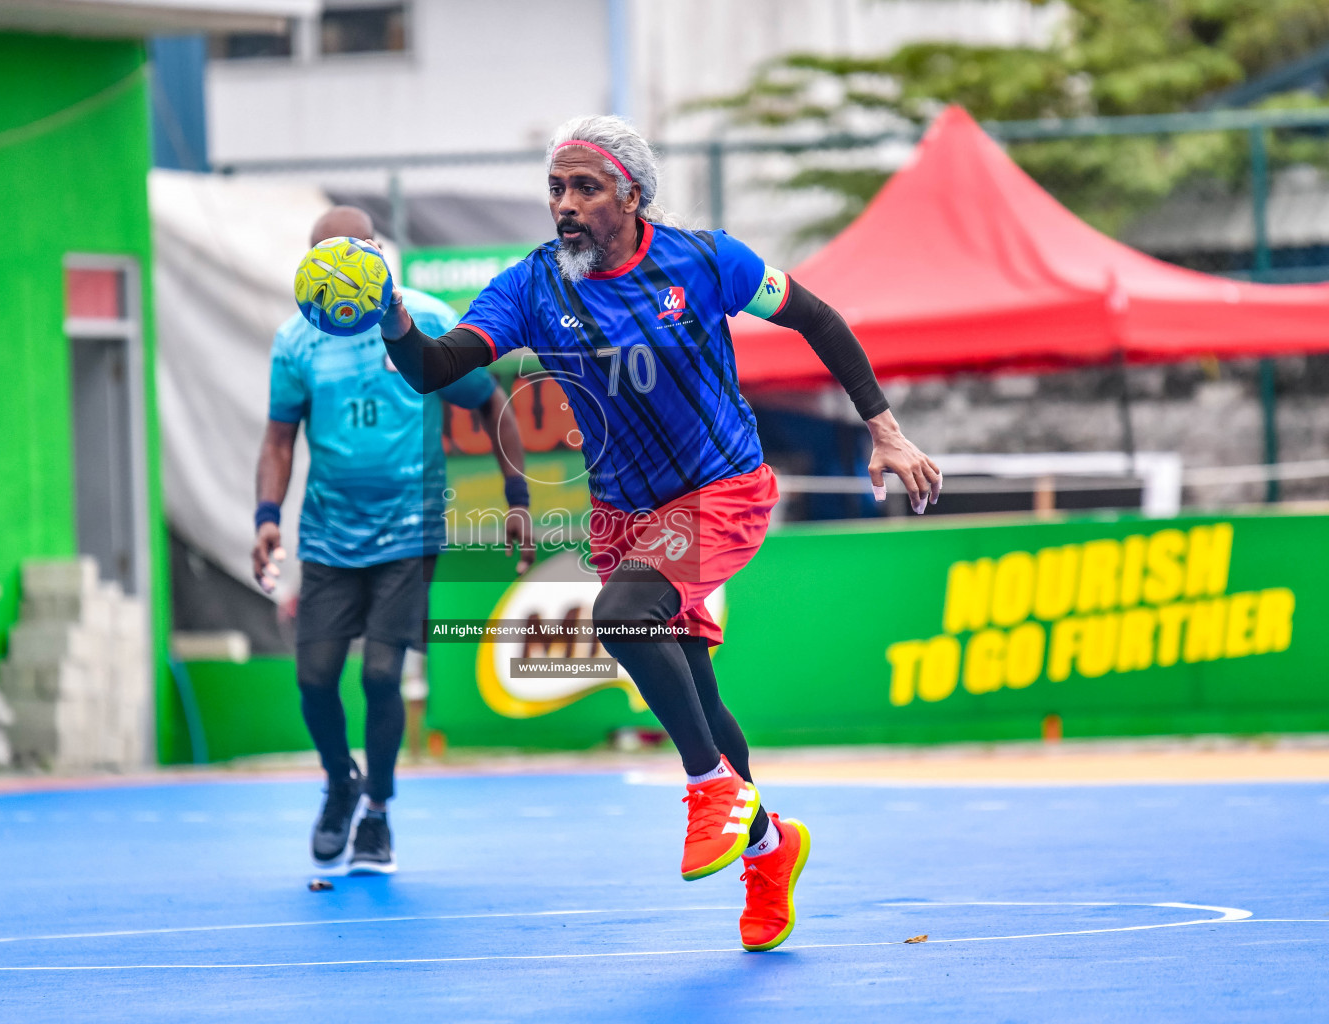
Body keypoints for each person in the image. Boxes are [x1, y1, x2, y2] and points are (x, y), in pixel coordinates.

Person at [375, 116, 941, 949]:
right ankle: (769, 849)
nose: (565, 206)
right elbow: (434, 366)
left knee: (619, 615)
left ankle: (710, 788)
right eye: (556, 189)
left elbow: (818, 317)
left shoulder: (706, 260)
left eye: (585, 188)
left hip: (721, 490)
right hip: (624, 515)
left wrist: (883, 426)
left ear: (632, 196)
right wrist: (388, 316)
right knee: (700, 700)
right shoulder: (534, 285)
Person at [253, 206, 535, 876]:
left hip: (409, 532)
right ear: (312, 266)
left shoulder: (425, 322)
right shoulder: (297, 341)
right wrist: (267, 514)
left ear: (378, 255)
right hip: (326, 537)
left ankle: (377, 813)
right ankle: (340, 781)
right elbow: (278, 438)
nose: (349, 267)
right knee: (314, 680)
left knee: (382, 675)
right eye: (332, 256)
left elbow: (490, 400)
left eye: (360, 252)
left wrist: (517, 499)